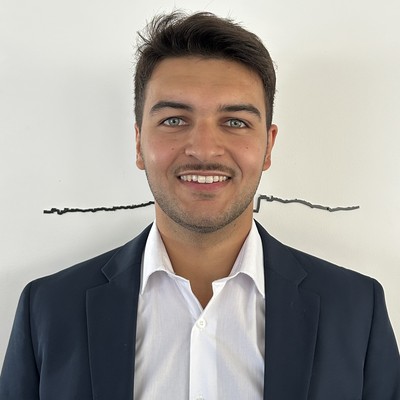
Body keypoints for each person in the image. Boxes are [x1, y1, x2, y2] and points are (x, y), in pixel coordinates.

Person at [0, 11, 399, 400]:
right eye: (174, 120)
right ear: (138, 143)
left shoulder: (355, 311)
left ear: (268, 146)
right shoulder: (49, 310)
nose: (205, 149)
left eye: (235, 122)